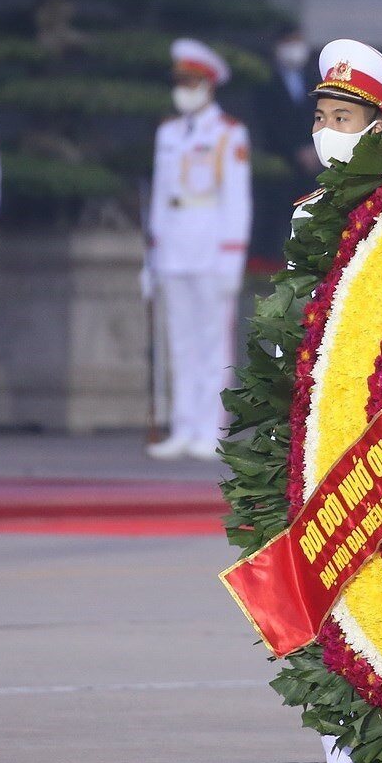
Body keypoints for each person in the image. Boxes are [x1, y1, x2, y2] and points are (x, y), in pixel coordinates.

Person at [279, 38, 382, 763]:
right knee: (324, 592)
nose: (327, 129)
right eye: (323, 116)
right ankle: (345, 754)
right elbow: (290, 327)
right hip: (317, 429)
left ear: (378, 125)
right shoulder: (306, 213)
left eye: (344, 117)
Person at [143, 38, 252, 461]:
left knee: (212, 345)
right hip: (173, 250)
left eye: (191, 82)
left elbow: (236, 199)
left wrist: (231, 257)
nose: (183, 89)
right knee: (180, 343)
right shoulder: (168, 132)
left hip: (210, 246)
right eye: (180, 82)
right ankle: (183, 426)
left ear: (209, 85)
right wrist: (151, 259)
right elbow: (159, 199)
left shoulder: (228, 134)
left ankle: (210, 428)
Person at [251, 23, 320, 255]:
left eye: (298, 41)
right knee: (276, 221)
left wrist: (314, 148)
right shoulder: (265, 82)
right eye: (289, 43)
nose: (295, 49)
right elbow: (268, 122)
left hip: (313, 164)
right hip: (279, 162)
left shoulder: (314, 79)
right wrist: (295, 150)